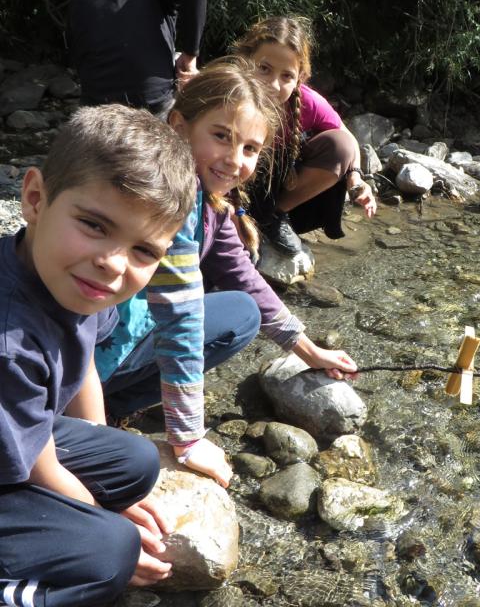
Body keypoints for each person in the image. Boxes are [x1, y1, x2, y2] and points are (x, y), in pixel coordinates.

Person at [96, 58, 360, 489]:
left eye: (251, 149)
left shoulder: (209, 199)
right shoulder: (172, 197)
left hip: (108, 336)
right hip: (93, 347)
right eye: (221, 137)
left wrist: (307, 350)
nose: (234, 160)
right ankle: (98, 409)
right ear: (180, 125)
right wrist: (188, 439)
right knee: (234, 312)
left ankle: (106, 406)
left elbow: (242, 273)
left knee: (242, 306)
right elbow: (181, 317)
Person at [0, 104, 196, 607]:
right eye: (94, 225)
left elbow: (82, 360)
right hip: (14, 446)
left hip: (21, 433)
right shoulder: (9, 342)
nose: (113, 265)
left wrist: (107, 476)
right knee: (109, 553)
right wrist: (98, 516)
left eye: (144, 252)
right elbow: (38, 463)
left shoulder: (68, 277)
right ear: (36, 198)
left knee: (132, 461)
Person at [232, 16, 377, 257]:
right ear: (246, 62)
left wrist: (356, 181)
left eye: (286, 76)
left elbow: (348, 140)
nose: (274, 85)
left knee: (338, 146)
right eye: (264, 69)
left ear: (300, 78)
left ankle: (273, 218)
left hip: (274, 195)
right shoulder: (226, 93)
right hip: (229, 188)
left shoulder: (306, 102)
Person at [67, 0, 207, 117]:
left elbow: (77, 59)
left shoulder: (79, 3)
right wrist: (190, 55)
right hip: (151, 106)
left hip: (97, 114)